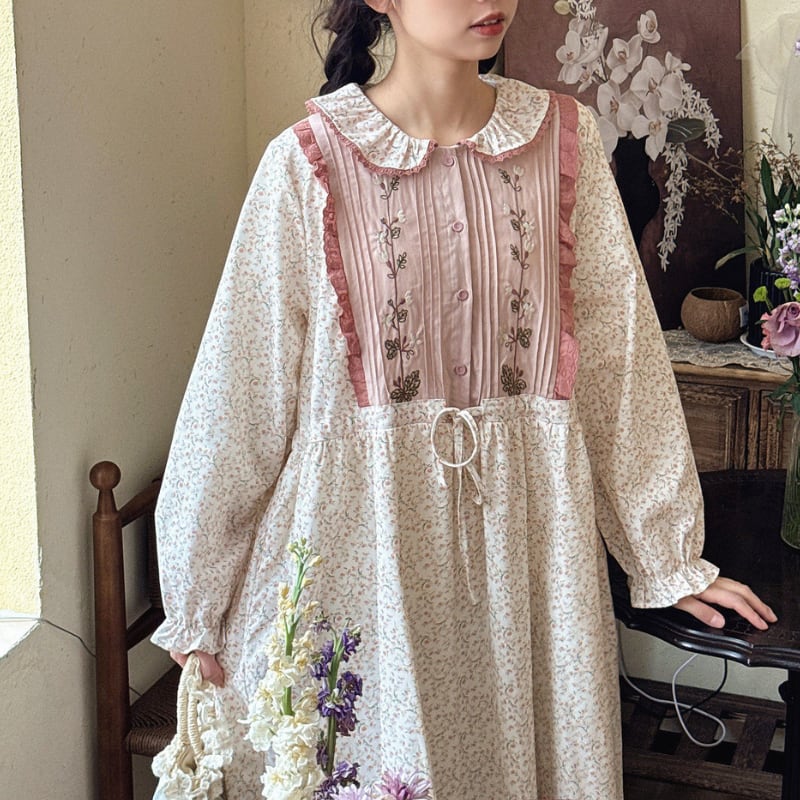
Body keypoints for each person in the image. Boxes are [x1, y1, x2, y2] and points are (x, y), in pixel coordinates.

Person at [152, 1, 776, 798]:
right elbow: (240, 390)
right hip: (362, 557)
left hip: (532, 557)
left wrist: (666, 556)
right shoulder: (307, 161)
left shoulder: (565, 140)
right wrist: (198, 598)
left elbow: (619, 363)